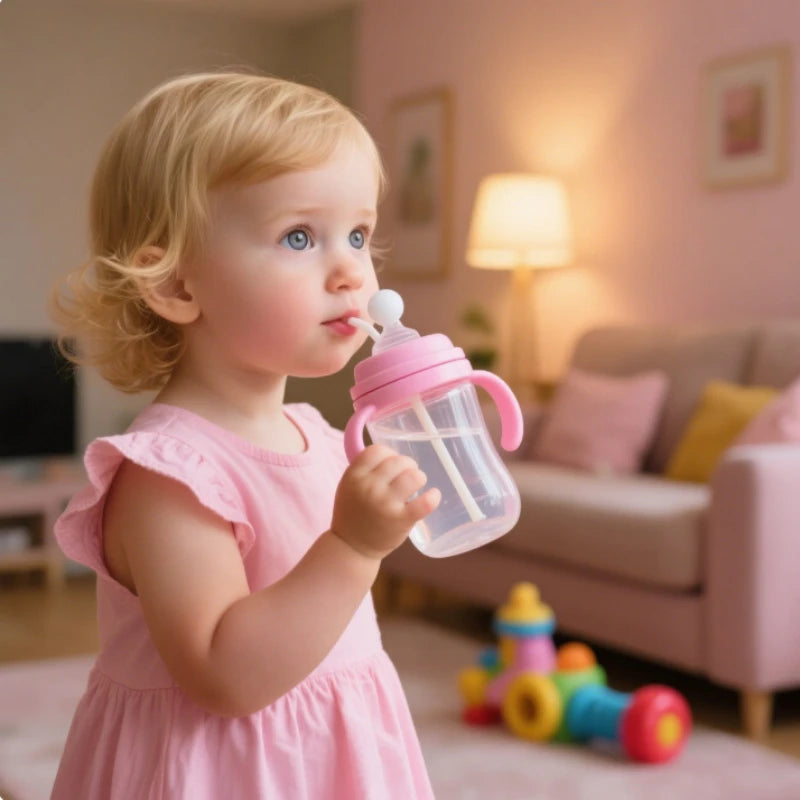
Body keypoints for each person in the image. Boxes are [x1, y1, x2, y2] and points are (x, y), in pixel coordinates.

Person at [49, 71, 440, 799]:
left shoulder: (318, 434)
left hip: (328, 757)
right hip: (226, 772)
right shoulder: (171, 474)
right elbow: (225, 676)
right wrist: (353, 548)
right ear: (176, 286)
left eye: (357, 234)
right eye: (299, 236)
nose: (352, 270)